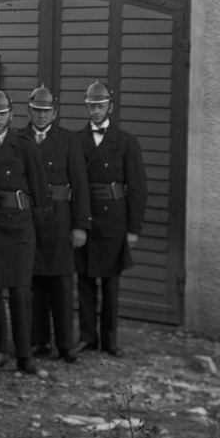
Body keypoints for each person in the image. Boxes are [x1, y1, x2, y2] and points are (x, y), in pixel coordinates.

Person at [0, 90, 49, 376]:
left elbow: (40, 188)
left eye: (2, 114)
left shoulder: (24, 145)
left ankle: (24, 354)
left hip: (19, 225)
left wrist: (36, 226)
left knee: (21, 291)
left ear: (11, 114)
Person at [75, 81, 148, 358]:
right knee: (84, 281)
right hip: (86, 216)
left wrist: (134, 228)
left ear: (111, 107)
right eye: (91, 106)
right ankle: (86, 337)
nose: (95, 111)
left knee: (110, 284)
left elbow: (138, 188)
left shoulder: (126, 141)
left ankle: (110, 340)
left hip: (114, 219)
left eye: (100, 106)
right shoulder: (76, 140)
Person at [24, 86, 91, 365]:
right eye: (37, 111)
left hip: (60, 218)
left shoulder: (68, 140)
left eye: (46, 111)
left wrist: (80, 225)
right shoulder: (19, 139)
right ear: (29, 111)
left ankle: (65, 345)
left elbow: (80, 184)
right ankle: (38, 340)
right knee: (33, 283)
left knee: (62, 284)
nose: (41, 116)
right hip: (29, 219)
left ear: (55, 112)